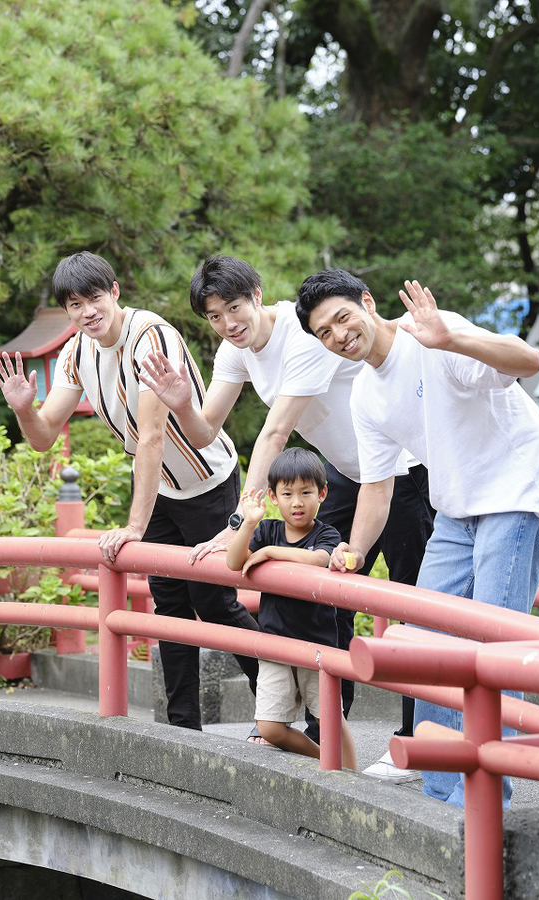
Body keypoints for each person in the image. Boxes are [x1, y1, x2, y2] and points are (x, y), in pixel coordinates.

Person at [139, 255, 432, 779]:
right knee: (320, 595)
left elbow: (275, 435)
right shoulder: (235, 351)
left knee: (409, 607)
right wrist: (183, 404)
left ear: (256, 293)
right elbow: (205, 431)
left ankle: (413, 743)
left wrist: (236, 524)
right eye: (213, 317)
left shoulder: (301, 334)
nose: (229, 324)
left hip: (404, 472)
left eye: (234, 307)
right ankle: (326, 729)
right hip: (346, 475)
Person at [294, 270, 539, 808]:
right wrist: (352, 552)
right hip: (458, 507)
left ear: (367, 303)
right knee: (425, 644)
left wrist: (453, 339)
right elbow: (377, 489)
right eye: (324, 333)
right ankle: (443, 794)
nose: (339, 336)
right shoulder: (366, 397)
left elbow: (528, 361)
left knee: (491, 645)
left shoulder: (433, 335)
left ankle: (490, 801)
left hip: (520, 490)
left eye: (342, 318)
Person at [0, 251, 260, 730]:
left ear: (114, 291)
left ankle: (279, 708)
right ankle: (182, 728)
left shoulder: (149, 335)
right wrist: (23, 409)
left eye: (94, 298)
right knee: (169, 606)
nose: (87, 312)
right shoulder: (77, 352)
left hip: (205, 482)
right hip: (158, 490)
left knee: (214, 604)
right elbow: (44, 436)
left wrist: (135, 525)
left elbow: (152, 435)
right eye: (75, 304)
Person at [225, 448, 357, 769]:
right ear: (273, 497)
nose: (297, 502)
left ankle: (353, 774)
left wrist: (271, 552)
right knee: (270, 727)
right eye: (287, 494)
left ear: (322, 494)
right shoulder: (267, 528)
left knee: (330, 719)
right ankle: (326, 759)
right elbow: (233, 562)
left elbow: (320, 558)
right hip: (275, 644)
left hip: (316, 646)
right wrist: (249, 524)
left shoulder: (326, 533)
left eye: (306, 492)